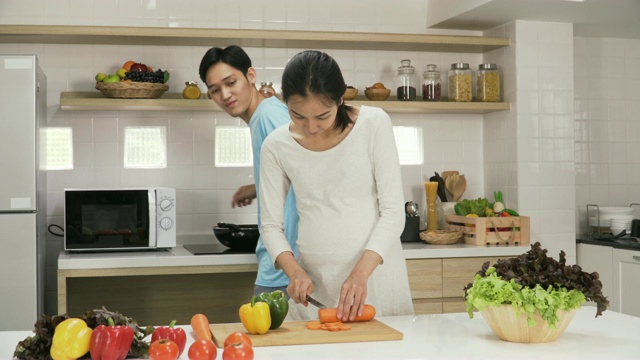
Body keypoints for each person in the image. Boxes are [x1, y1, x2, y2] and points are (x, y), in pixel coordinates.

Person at [259, 50, 414, 321]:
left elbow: (392, 213)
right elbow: (271, 226)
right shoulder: (275, 145)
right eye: (298, 115)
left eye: (322, 116)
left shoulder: (374, 124)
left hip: (374, 281)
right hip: (316, 291)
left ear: (341, 99)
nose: (311, 127)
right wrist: (294, 272)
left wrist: (360, 275)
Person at [198, 45, 298, 296]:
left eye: (231, 82)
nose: (225, 94)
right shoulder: (264, 115)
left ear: (250, 76)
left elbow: (307, 174)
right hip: (283, 262)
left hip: (284, 266)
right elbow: (291, 171)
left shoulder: (267, 116)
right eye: (215, 90)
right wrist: (257, 188)